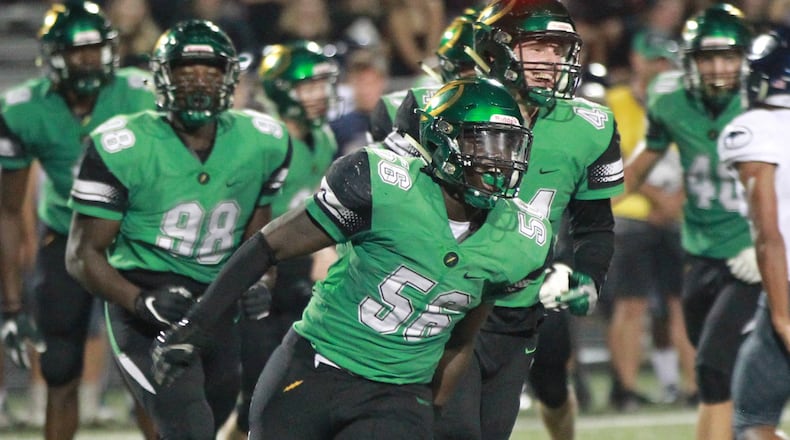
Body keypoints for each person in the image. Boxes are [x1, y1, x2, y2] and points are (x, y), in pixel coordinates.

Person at [151, 76, 553, 440]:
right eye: (482, 142)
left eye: (508, 144)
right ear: (441, 140)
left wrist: (429, 411)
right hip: (314, 366)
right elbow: (269, 245)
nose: (498, 160)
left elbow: (462, 338)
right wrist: (197, 326)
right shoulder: (383, 185)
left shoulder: (522, 238)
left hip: (398, 392)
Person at [64, 19, 292, 439]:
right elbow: (82, 255)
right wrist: (138, 301)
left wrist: (260, 279)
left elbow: (260, 243)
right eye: (186, 70)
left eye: (211, 71)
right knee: (189, 426)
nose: (199, 82)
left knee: (214, 409)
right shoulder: (122, 145)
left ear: (231, 78)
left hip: (218, 299)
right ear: (162, 76)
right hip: (145, 297)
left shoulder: (264, 140)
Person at [434, 1, 624, 439]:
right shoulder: (444, 111)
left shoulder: (590, 125)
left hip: (521, 310)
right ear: (497, 49)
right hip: (448, 303)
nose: (552, 61)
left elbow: (594, 225)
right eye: (538, 47)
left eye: (559, 50)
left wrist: (587, 279)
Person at [0, 2, 156, 439]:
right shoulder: (23, 109)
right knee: (60, 367)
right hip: (66, 239)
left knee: (147, 371)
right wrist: (11, 305)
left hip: (135, 238)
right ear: (52, 55)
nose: (88, 60)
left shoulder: (141, 92)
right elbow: (9, 210)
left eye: (95, 49)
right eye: (76, 51)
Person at [623, 4, 760, 439]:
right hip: (700, 252)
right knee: (716, 377)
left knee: (713, 366)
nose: (719, 68)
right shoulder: (670, 100)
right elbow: (638, 168)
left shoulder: (768, 102)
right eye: (708, 57)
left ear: (746, 59)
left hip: (755, 254)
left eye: (729, 57)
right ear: (690, 61)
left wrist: (772, 244)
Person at [227, 39, 340, 438]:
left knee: (284, 399)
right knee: (253, 399)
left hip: (295, 279)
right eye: (308, 85)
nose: (320, 95)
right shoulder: (262, 139)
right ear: (279, 88)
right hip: (255, 275)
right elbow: (244, 230)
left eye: (323, 84)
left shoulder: (322, 138)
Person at [604, 30, 697, 410]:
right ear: (636, 59)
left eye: (666, 60)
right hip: (632, 214)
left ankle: (695, 387)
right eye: (654, 59)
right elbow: (611, 165)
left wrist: (678, 200)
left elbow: (699, 154)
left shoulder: (683, 104)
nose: (660, 67)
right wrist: (659, 199)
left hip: (681, 212)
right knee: (631, 305)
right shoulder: (612, 104)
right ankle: (625, 388)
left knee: (684, 304)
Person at [718, 26, 790, 440]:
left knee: (752, 419)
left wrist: (780, 315)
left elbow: (769, 232)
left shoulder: (755, 128)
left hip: (786, 285)